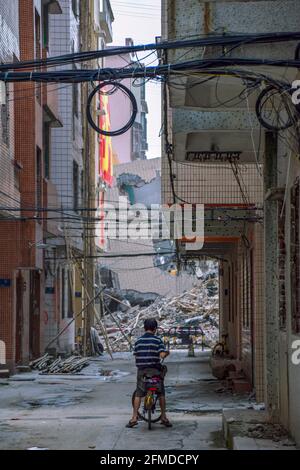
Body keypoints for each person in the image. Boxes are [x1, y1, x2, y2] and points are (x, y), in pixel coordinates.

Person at [126, 318, 172, 428]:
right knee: (161, 393)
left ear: (144, 328)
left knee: (138, 393)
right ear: (155, 329)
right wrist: (166, 353)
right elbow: (161, 355)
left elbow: (136, 354)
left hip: (142, 372)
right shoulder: (158, 340)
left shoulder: (138, 341)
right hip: (155, 371)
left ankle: (133, 418)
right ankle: (164, 417)